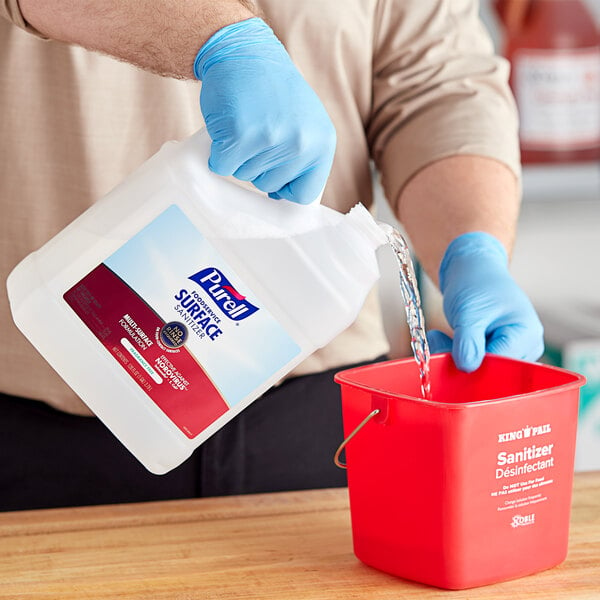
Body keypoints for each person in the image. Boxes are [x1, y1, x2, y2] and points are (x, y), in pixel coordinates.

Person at [0, 0, 543, 511]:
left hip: (316, 407)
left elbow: (436, 83)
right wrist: (220, 39)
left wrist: (472, 246)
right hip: (55, 394)